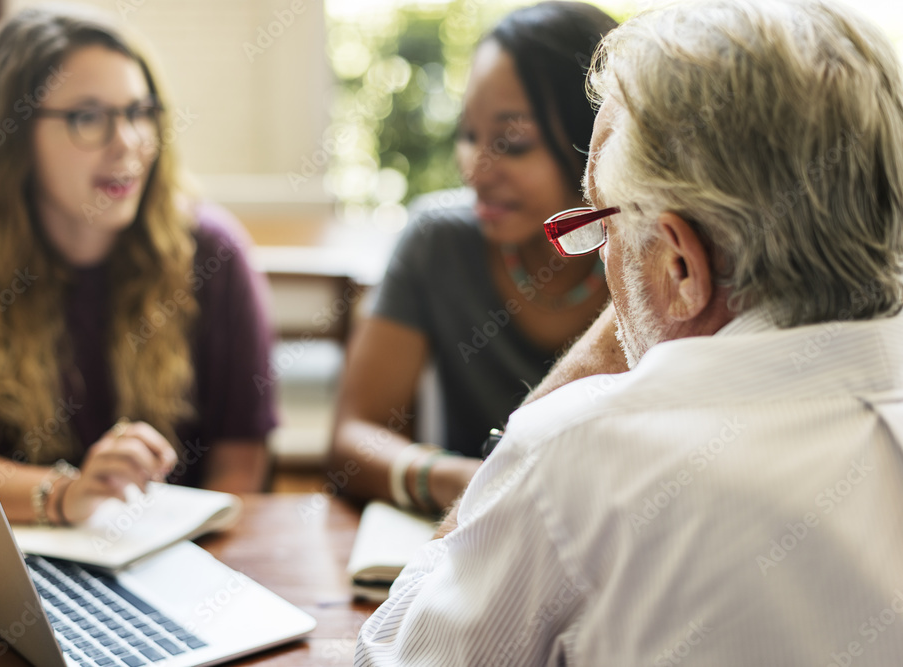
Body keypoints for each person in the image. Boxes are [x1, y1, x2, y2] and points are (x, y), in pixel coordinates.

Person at [355, 0, 903, 664]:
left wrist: (592, 364)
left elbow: (393, 655)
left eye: (604, 224)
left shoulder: (578, 457)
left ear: (679, 263)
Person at [0, 5, 276, 526]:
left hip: (180, 561)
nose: (127, 142)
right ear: (12, 134)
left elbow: (242, 460)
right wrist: (64, 495)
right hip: (30, 558)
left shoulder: (214, 254)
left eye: (140, 112)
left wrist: (184, 560)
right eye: (88, 117)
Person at [330, 2, 620, 514]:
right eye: (468, 135)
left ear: (597, 137)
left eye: (513, 142)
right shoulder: (437, 242)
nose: (476, 169)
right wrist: (451, 479)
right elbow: (352, 438)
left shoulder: (651, 259)